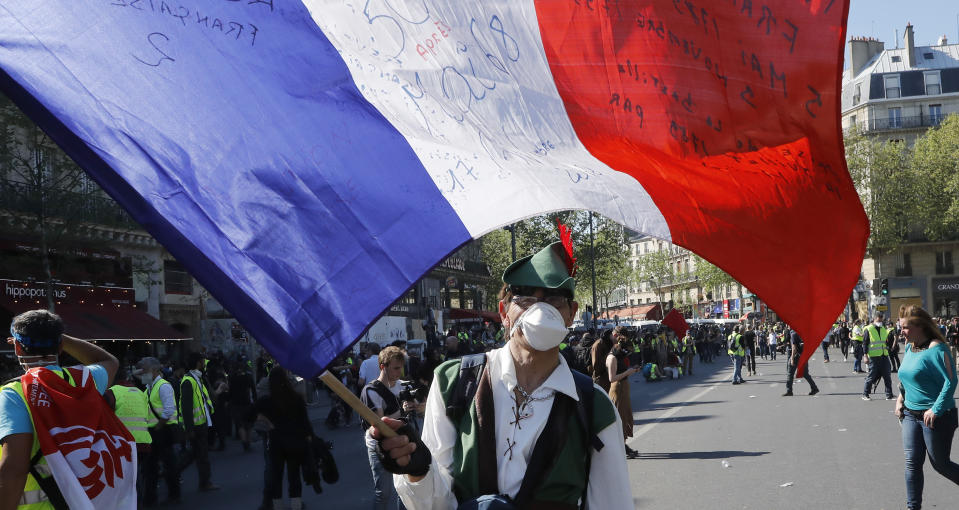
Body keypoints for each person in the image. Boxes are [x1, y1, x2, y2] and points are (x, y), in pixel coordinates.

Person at [375, 241, 631, 508]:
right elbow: (433, 503)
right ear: (504, 313)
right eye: (525, 299)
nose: (540, 312)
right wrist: (418, 471)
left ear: (571, 313)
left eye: (554, 300)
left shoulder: (594, 406)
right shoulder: (453, 382)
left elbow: (612, 502)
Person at [0, 309, 131, 509]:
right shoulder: (85, 381)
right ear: (61, 346)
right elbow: (109, 361)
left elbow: (14, 469)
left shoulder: (14, 394)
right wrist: (56, 336)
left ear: (17, 347)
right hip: (85, 501)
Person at [894, 306, 959, 510]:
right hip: (910, 415)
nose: (901, 331)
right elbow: (907, 378)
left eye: (905, 327)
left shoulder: (937, 349)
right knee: (912, 464)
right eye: (901, 327)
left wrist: (935, 409)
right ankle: (913, 507)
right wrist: (900, 399)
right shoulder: (911, 346)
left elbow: (951, 381)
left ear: (919, 326)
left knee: (940, 464)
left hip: (937, 417)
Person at [255, 367, 314, 510]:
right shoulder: (293, 386)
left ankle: (272, 503)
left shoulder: (265, 387)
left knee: (273, 471)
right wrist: (309, 439)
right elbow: (304, 413)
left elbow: (255, 412)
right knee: (291, 473)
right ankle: (294, 504)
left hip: (274, 437)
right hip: (291, 437)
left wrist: (268, 423)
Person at [361, 346, 407, 510]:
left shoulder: (402, 386)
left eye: (401, 367)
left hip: (401, 442)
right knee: (384, 492)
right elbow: (380, 424)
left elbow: (421, 412)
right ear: (383, 366)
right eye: (395, 368)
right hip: (379, 446)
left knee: (405, 490)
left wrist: (420, 407)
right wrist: (403, 413)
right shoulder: (371, 390)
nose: (399, 372)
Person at [135, 356, 182, 506]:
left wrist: (158, 426)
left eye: (146, 370)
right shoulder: (149, 386)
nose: (142, 373)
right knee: (151, 467)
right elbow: (136, 373)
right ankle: (151, 498)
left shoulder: (163, 386)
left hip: (164, 430)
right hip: (154, 431)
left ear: (155, 370)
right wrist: (142, 369)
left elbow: (169, 411)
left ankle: (174, 495)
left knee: (168, 465)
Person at [106, 373, 153, 504]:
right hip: (144, 442)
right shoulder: (140, 392)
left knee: (129, 482)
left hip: (125, 445)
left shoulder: (111, 392)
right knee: (136, 478)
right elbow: (148, 417)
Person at [179, 352, 221, 491]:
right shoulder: (188, 381)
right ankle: (204, 482)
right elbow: (186, 407)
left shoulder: (197, 378)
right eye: (203, 361)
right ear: (198, 362)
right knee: (201, 455)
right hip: (197, 426)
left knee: (197, 455)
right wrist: (189, 429)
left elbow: (204, 400)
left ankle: (174, 472)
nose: (205, 363)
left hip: (201, 423)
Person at [607, 326, 640, 459]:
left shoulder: (618, 356)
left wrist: (631, 370)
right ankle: (620, 450)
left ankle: (623, 447)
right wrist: (628, 372)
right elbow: (612, 378)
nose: (626, 353)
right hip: (618, 388)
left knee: (625, 418)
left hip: (623, 387)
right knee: (619, 419)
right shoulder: (612, 357)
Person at [863, 314, 895, 401]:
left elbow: (884, 342)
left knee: (887, 375)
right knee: (871, 375)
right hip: (873, 357)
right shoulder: (868, 329)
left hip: (884, 355)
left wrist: (888, 348)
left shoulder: (883, 328)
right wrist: (865, 356)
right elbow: (865, 343)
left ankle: (889, 395)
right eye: (879, 319)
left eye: (881, 319)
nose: (880, 321)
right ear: (874, 319)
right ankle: (865, 394)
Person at [229, 360, 257, 452]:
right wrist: (255, 402)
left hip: (236, 403)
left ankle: (244, 442)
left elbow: (230, 392)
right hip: (247, 402)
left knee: (240, 425)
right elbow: (253, 390)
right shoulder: (248, 377)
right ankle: (248, 441)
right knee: (248, 424)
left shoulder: (232, 378)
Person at [782, 330, 820, 396]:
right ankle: (814, 388)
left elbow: (794, 347)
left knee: (790, 374)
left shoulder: (793, 333)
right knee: (805, 374)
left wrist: (792, 358)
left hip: (796, 356)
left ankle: (789, 391)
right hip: (804, 356)